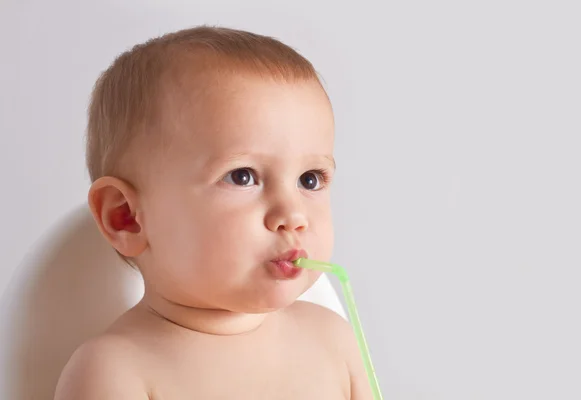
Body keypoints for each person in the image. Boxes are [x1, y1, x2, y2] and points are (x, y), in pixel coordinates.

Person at [54, 25, 372, 399]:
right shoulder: (115, 372)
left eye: (310, 180)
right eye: (242, 176)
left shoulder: (333, 340)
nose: (293, 214)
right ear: (126, 217)